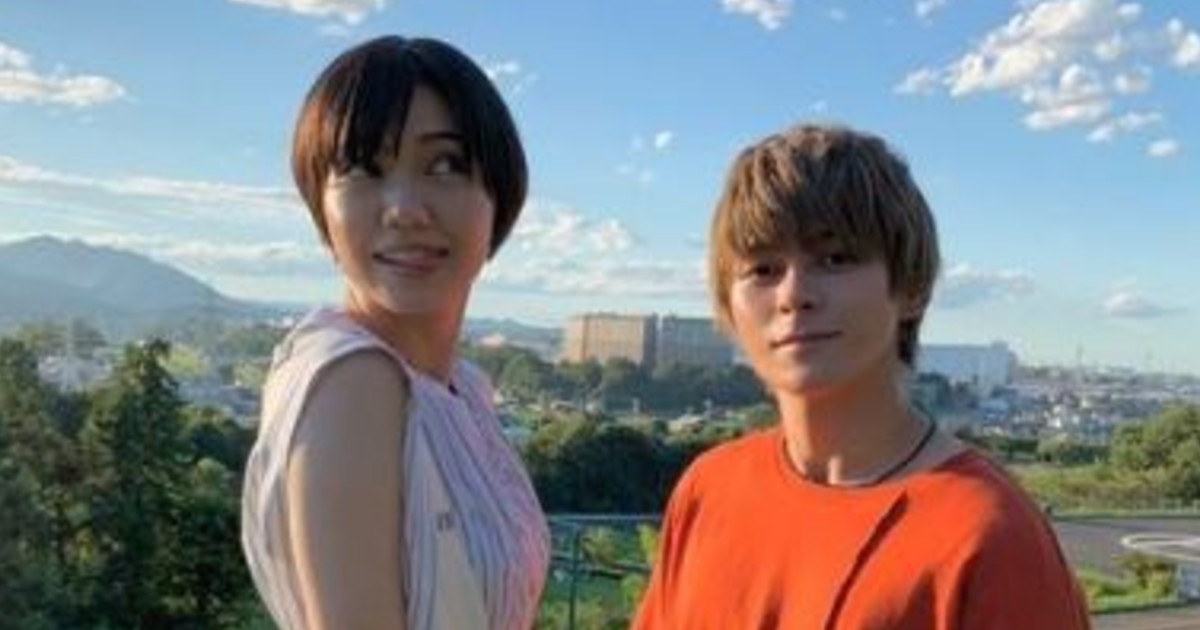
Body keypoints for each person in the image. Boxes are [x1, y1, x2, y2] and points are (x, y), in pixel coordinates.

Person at [632, 124, 1091, 629]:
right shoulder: (709, 489)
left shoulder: (989, 536)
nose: (793, 295)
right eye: (763, 269)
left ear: (911, 286)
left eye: (835, 259)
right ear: (727, 302)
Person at [241, 35, 549, 630]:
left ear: (499, 195)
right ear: (322, 209)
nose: (404, 208)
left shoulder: (463, 388)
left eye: (445, 165)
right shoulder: (352, 381)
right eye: (363, 168)